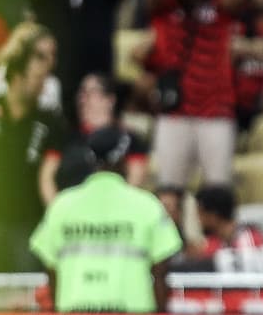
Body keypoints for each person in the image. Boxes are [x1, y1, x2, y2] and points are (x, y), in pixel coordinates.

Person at [29, 126, 183, 313]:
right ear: (123, 159)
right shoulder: (147, 205)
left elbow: (51, 269)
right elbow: (160, 272)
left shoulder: (61, 205)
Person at [142, 0, 243, 212]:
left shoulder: (219, 5)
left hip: (217, 111)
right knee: (169, 191)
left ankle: (215, 250)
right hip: (174, 112)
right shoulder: (164, 6)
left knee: (218, 191)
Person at [0, 22, 68, 272]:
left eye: (52, 57)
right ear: (18, 67)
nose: (48, 66)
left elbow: (48, 177)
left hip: (27, 221)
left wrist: (60, 222)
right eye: (40, 58)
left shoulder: (49, 115)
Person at [56, 73, 149, 191]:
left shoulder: (129, 139)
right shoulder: (67, 138)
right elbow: (48, 176)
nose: (83, 98)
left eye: (91, 91)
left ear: (110, 100)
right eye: (81, 92)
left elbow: (135, 181)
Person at [191, 185, 263, 264]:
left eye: (200, 213)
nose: (197, 219)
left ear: (214, 216)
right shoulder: (212, 243)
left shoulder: (250, 241)